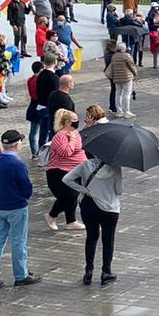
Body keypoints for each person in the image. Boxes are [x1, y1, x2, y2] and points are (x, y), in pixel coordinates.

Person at [0, 130, 39, 292]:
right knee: (19, 241)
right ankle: (21, 275)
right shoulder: (18, 164)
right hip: (16, 207)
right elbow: (26, 188)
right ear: (17, 144)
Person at [63, 153, 123, 285]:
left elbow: (67, 179)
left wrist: (83, 190)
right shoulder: (115, 168)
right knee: (108, 240)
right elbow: (119, 191)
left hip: (89, 206)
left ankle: (88, 271)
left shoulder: (85, 165)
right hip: (109, 209)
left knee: (91, 237)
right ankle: (106, 272)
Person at [43, 108, 86, 231]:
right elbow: (65, 152)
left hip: (74, 170)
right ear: (67, 122)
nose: (77, 122)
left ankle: (71, 220)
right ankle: (51, 215)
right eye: (74, 120)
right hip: (58, 171)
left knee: (73, 195)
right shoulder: (61, 136)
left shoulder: (76, 133)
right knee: (69, 196)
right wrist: (71, 140)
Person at [106, 42, 137, 119]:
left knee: (118, 94)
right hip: (127, 78)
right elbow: (132, 66)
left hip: (117, 78)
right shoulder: (127, 56)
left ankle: (119, 111)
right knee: (126, 94)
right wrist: (135, 74)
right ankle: (127, 111)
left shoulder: (114, 56)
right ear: (124, 48)